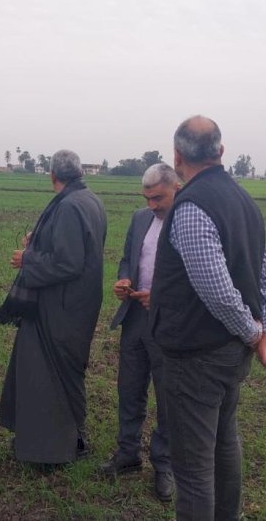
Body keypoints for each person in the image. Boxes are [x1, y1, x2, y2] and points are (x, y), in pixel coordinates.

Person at [149, 115, 266, 520]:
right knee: (225, 442)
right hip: (229, 354)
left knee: (193, 469)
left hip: (196, 357)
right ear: (221, 152)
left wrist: (255, 334)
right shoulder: (244, 202)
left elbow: (218, 291)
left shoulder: (192, 207)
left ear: (177, 157)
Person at [0, 149, 107, 465]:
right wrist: (39, 240)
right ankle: (68, 439)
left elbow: (68, 262)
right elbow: (76, 245)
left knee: (49, 376)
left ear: (52, 175)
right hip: (77, 303)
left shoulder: (70, 205)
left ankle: (57, 448)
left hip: (60, 308)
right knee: (64, 372)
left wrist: (28, 258)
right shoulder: (89, 199)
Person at [104, 163, 180, 502]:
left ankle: (164, 465)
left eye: (158, 198)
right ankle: (127, 453)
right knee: (129, 388)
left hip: (169, 324)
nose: (152, 205)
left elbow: (195, 276)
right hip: (135, 317)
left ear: (176, 188)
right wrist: (124, 280)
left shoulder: (188, 221)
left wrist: (162, 298)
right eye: (147, 198)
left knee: (167, 397)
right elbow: (127, 258)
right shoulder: (139, 218)